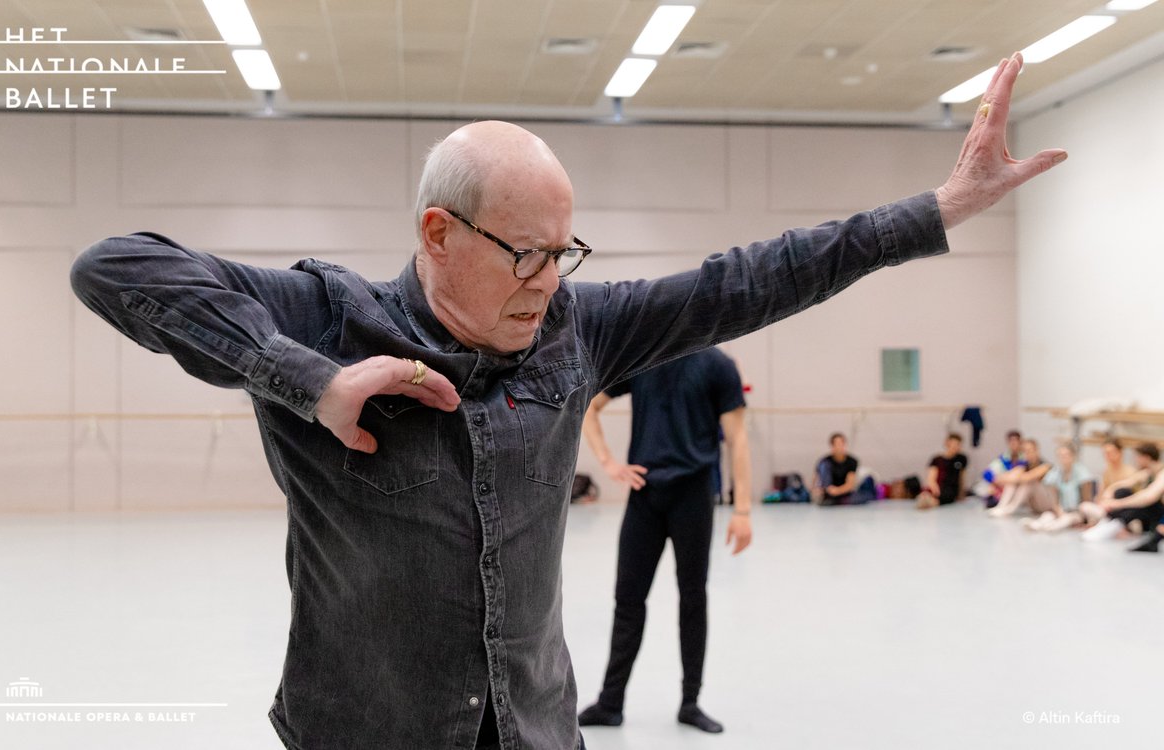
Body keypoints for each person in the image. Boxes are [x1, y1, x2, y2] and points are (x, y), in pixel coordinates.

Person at [68, 54, 1062, 749]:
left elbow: (752, 278)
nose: (548, 279)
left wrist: (934, 211)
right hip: (363, 729)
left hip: (535, 727)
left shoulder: (580, 329)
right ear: (438, 232)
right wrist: (309, 380)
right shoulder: (328, 319)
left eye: (563, 251)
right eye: (525, 253)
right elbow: (115, 268)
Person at [575, 349, 751, 734]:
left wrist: (743, 511)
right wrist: (608, 462)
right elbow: (591, 406)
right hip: (646, 498)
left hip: (694, 497)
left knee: (693, 597)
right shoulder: (645, 358)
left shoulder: (719, 366)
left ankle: (691, 702)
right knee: (628, 599)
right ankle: (610, 702)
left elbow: (737, 439)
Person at [1080, 443, 1164, 543]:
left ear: (1146, 457)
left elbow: (1149, 497)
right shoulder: (1147, 472)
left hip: (1158, 517)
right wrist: (1109, 493)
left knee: (1144, 503)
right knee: (1122, 491)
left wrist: (1117, 504)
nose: (1135, 460)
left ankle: (1115, 523)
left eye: (1137, 457)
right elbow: (1125, 483)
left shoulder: (1161, 473)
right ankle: (1111, 521)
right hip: (1145, 517)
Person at [1020, 443, 1097, 532]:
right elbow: (1054, 497)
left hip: (1078, 511)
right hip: (1062, 509)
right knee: (1047, 515)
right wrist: (1058, 511)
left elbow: (1086, 500)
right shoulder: (1056, 472)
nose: (1063, 458)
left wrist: (1085, 518)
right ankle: (1036, 525)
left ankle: (1050, 527)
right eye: (1061, 455)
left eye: (1066, 455)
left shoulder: (1082, 472)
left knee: (1066, 519)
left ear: (1073, 456)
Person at [988, 438, 1052, 517]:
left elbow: (1028, 477)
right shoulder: (1025, 465)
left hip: (1046, 505)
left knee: (1028, 483)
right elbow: (1000, 478)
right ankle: (1001, 506)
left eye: (1030, 450)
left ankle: (1010, 509)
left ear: (1037, 450)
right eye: (1025, 451)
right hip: (1033, 506)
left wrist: (1012, 477)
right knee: (1012, 482)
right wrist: (1009, 477)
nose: (1028, 453)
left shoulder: (1045, 466)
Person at [973, 430, 1026, 507]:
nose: (1013, 444)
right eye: (1011, 441)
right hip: (1004, 486)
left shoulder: (1025, 458)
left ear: (1020, 442)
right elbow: (987, 473)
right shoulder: (1003, 458)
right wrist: (996, 481)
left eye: (1016, 441)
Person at [916, 433, 969, 509]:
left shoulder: (962, 459)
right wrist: (935, 489)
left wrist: (961, 493)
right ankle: (926, 499)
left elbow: (962, 477)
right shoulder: (937, 459)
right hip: (939, 487)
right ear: (947, 443)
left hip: (951, 489)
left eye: (958, 444)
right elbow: (931, 478)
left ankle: (931, 502)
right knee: (927, 492)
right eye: (954, 444)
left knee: (946, 495)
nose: (956, 447)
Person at [813, 433, 861, 505]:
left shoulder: (852, 461)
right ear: (832, 446)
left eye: (841, 443)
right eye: (836, 444)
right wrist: (817, 489)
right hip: (828, 492)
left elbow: (850, 484)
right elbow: (816, 480)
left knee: (862, 497)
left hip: (844, 493)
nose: (839, 446)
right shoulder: (825, 461)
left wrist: (837, 491)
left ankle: (836, 500)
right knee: (824, 465)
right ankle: (830, 499)